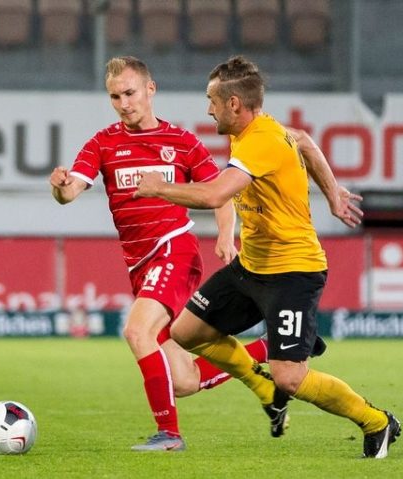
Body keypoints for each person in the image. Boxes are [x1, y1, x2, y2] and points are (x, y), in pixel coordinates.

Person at [135, 55, 401, 458]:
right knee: (187, 334)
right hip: (251, 267)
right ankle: (263, 384)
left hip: (292, 273)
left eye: (212, 100)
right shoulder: (261, 130)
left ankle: (376, 421)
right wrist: (333, 195)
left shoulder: (259, 140)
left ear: (234, 104)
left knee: (291, 379)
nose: (208, 108)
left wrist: (159, 188)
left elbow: (213, 194)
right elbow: (306, 142)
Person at [49, 56, 270, 452]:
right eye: (115, 96)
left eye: (130, 93)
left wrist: (225, 235)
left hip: (174, 250)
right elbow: (69, 194)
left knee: (137, 331)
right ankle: (269, 348)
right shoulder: (102, 143)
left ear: (150, 90)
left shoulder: (181, 142)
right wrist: (59, 186)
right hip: (139, 265)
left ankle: (169, 435)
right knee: (182, 380)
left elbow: (221, 191)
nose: (123, 103)